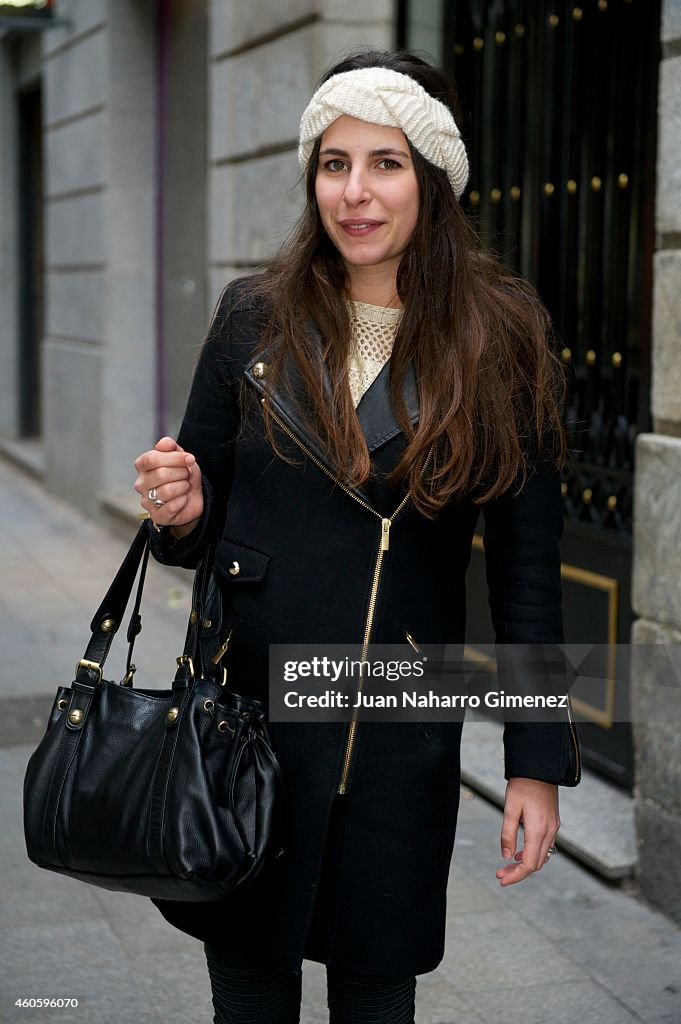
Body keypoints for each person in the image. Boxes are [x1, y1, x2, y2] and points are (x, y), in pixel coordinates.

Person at [133, 49, 580, 1024]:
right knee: (249, 990)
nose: (356, 192)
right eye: (334, 164)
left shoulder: (499, 338)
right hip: (248, 724)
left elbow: (526, 571)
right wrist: (177, 511)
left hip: (397, 724)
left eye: (385, 163)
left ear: (433, 178)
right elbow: (196, 520)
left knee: (377, 996)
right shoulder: (253, 317)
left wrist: (536, 760)